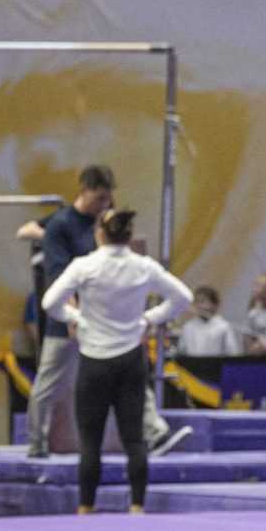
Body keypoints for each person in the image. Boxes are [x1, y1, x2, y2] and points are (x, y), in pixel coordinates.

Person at [40, 206, 193, 514]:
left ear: (99, 234)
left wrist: (75, 317)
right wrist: (149, 319)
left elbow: (49, 303)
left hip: (94, 358)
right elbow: (183, 298)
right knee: (133, 438)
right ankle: (137, 504)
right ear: (129, 235)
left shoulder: (85, 266)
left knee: (91, 441)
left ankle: (86, 505)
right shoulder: (143, 267)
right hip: (129, 358)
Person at [175, 286, 241, 357]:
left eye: (202, 302)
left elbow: (233, 353)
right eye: (196, 302)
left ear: (214, 304)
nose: (199, 306)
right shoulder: (188, 327)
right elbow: (181, 353)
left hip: (216, 366)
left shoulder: (223, 327)